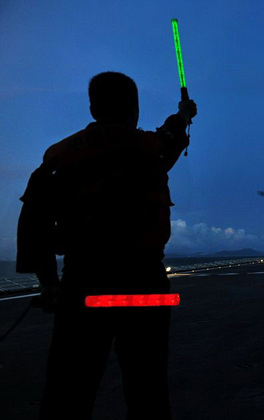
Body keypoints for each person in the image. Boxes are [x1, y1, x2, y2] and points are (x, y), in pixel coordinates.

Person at [16, 71, 197, 420]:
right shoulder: (150, 148)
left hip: (83, 285)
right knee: (148, 393)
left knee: (67, 395)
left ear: (93, 107)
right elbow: (173, 135)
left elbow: (33, 225)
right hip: (145, 285)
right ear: (134, 108)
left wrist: (49, 283)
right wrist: (185, 113)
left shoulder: (58, 155)